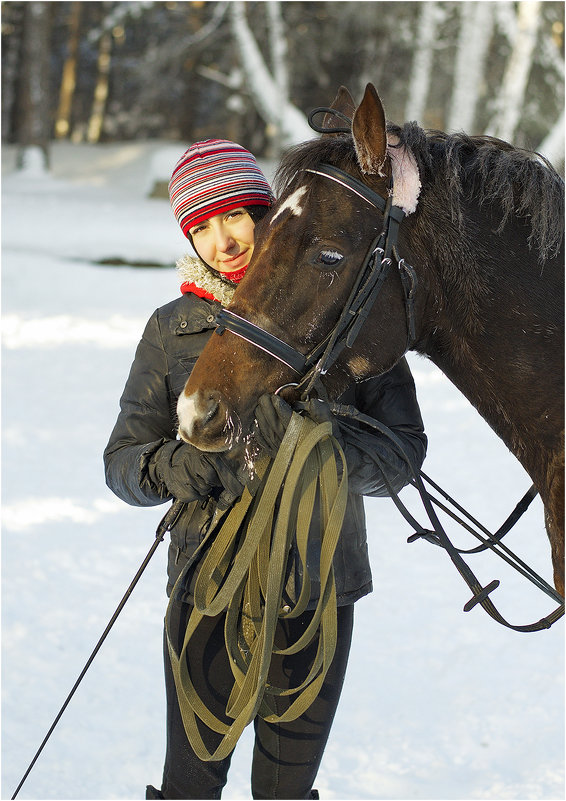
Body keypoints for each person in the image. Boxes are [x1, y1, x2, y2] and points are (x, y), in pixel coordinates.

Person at [103, 138, 427, 800]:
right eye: (201, 224)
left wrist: (323, 448)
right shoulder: (174, 329)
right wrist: (181, 468)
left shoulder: (348, 313)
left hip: (320, 595)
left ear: (268, 212)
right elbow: (123, 462)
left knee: (285, 792)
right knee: (191, 785)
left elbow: (402, 454)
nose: (221, 239)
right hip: (208, 593)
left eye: (234, 216)